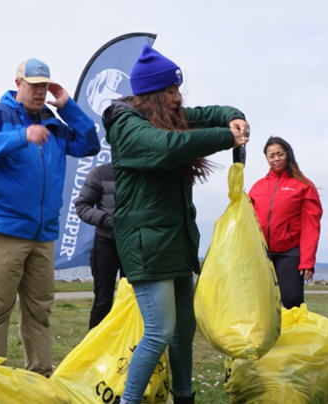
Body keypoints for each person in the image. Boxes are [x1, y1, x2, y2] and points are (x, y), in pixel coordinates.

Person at [103, 45, 249, 404]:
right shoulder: (127, 126)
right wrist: (224, 137)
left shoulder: (172, 115)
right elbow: (167, 147)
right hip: (145, 244)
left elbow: (213, 113)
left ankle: (184, 397)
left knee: (183, 331)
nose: (177, 98)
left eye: (178, 90)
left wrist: (235, 117)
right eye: (170, 91)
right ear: (151, 94)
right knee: (159, 332)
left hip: (177, 241)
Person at [0, 57, 100, 377]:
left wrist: (68, 106)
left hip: (44, 232)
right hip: (4, 228)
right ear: (18, 83)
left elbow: (89, 144)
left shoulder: (52, 120)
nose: (39, 92)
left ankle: (39, 378)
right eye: (34, 86)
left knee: (39, 311)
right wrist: (21, 136)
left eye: (44, 86)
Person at [249, 136, 323, 309]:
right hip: (262, 252)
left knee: (291, 299)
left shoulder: (304, 186)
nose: (276, 159)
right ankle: (268, 335)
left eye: (280, 154)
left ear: (288, 154)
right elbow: (246, 221)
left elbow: (311, 226)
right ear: (266, 158)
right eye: (271, 155)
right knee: (261, 303)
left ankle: (297, 335)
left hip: (290, 251)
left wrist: (307, 261)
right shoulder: (257, 187)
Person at [75, 162, 124, 329]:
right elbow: (82, 205)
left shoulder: (144, 169)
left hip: (135, 244)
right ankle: (93, 350)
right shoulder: (100, 173)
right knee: (103, 302)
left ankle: (132, 349)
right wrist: (105, 220)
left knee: (134, 300)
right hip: (106, 243)